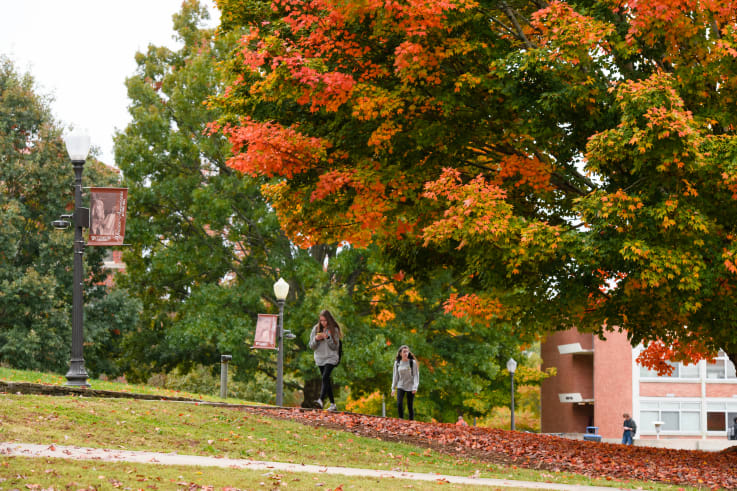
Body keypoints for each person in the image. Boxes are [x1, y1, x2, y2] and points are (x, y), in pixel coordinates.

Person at [309, 309, 342, 411]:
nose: (323, 323)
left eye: (325, 321)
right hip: (320, 358)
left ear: (329, 320)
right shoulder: (316, 329)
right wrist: (316, 339)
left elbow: (334, 347)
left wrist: (328, 338)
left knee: (325, 376)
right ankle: (332, 405)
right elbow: (311, 346)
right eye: (321, 320)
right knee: (326, 380)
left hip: (331, 357)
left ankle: (320, 400)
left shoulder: (334, 329)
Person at [391, 345, 419, 420]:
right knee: (399, 403)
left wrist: (415, 387)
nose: (406, 353)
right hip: (401, 385)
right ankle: (401, 419)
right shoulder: (397, 363)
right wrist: (393, 388)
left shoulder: (412, 362)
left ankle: (411, 421)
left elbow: (416, 375)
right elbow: (395, 376)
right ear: (400, 353)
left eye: (407, 351)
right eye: (404, 352)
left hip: (411, 386)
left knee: (410, 405)